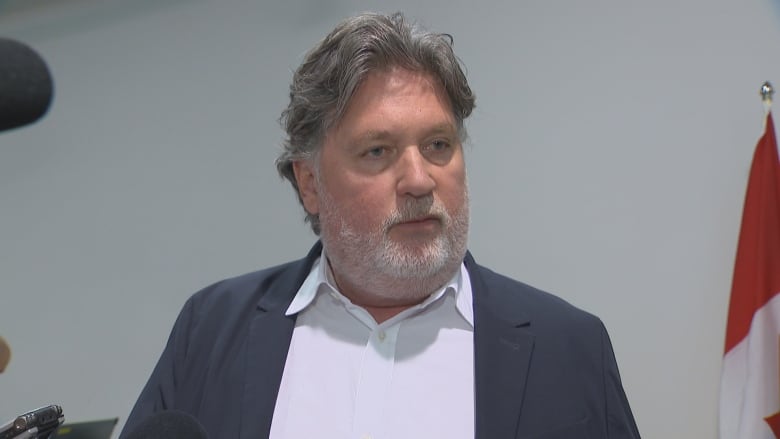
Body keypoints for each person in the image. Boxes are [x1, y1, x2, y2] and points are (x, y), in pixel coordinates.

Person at [120, 11, 640, 439]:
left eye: (438, 145)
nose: (419, 180)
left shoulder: (569, 348)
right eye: (378, 151)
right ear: (309, 183)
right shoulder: (210, 331)